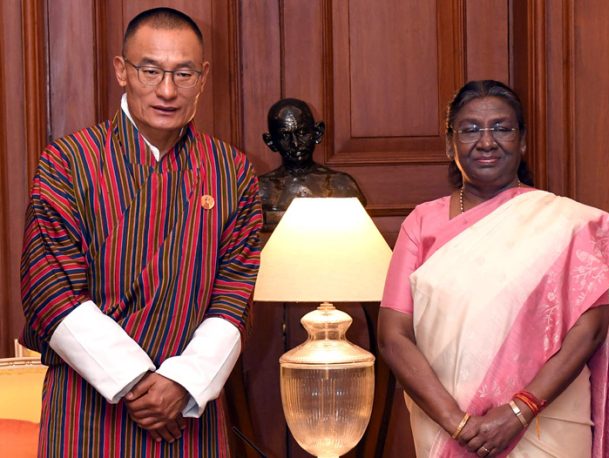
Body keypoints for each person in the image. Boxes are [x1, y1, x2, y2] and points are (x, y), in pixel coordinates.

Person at [377, 80, 609, 457]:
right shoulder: (421, 223)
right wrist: (457, 423)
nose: (486, 141)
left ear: (523, 140)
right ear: (450, 144)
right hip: (444, 426)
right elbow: (392, 336)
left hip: (546, 425)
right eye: (470, 129)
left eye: (502, 128)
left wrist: (519, 411)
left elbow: (590, 328)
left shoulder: (565, 225)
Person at [20, 7, 262, 457]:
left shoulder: (231, 173)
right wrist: (139, 383)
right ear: (122, 71)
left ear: (203, 77)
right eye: (150, 71)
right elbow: (50, 292)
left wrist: (180, 384)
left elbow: (235, 296)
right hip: (87, 410)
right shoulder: (68, 163)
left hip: (188, 410)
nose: (167, 90)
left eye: (183, 73)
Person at [259, 98, 366, 231]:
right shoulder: (260, 189)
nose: (296, 144)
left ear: (317, 133)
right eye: (285, 136)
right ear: (271, 142)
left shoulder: (342, 184)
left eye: (302, 133)